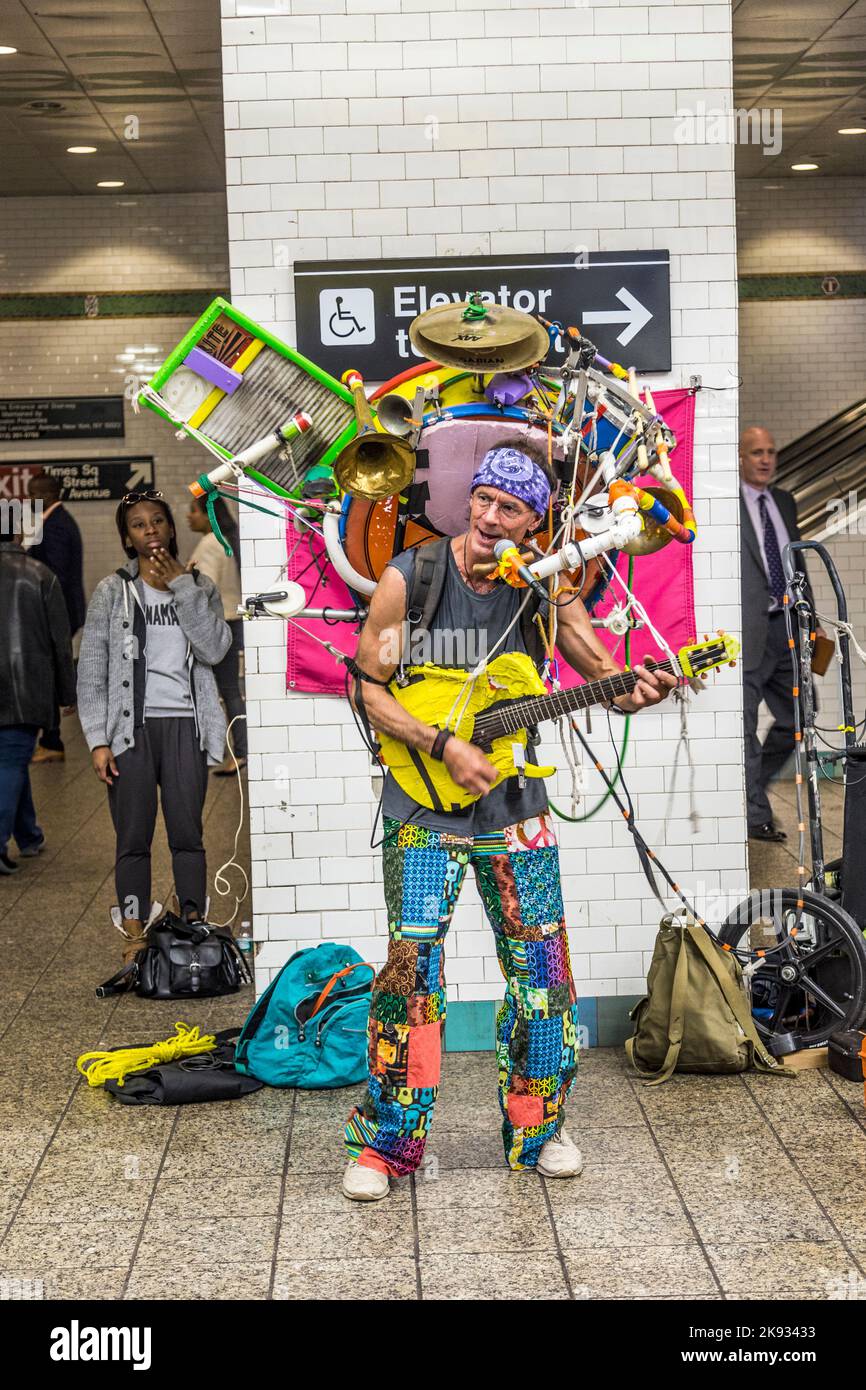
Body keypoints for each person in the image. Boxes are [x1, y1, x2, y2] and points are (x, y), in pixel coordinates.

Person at [340, 445, 677, 1201]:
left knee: (542, 980)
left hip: (516, 810)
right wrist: (442, 743)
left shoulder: (543, 585)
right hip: (422, 806)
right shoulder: (413, 578)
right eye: (485, 500)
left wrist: (640, 685)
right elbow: (369, 688)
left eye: (512, 510)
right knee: (410, 978)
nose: (492, 519)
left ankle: (539, 1131)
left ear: (536, 522)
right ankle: (388, 1146)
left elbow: (603, 677)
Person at [76, 490, 231, 964]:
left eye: (158, 521)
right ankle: (134, 933)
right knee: (133, 839)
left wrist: (182, 587)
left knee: (188, 835)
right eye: (139, 524)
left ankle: (191, 926)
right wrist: (98, 740)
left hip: (186, 726)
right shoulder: (111, 591)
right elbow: (93, 669)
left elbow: (215, 649)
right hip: (131, 732)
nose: (150, 530)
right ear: (127, 537)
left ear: (170, 528)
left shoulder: (200, 588)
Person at [739, 426, 818, 842]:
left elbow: (798, 565)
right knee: (745, 724)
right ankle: (754, 814)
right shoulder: (726, 502)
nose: (766, 459)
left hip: (787, 624)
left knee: (800, 718)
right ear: (740, 457)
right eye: (756, 452)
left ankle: (754, 786)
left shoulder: (784, 501)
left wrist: (813, 621)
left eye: (771, 451)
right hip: (747, 630)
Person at [0, 511, 76, 874]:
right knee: (12, 760)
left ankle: (28, 835)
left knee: (10, 761)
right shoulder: (41, 575)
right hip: (28, 687)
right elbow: (59, 642)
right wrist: (67, 693)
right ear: (16, 531)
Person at [25, 472, 86, 764]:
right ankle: (50, 738)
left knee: (47, 675)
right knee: (47, 673)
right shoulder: (52, 522)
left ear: (46, 495)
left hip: (56, 612)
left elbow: (56, 577)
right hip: (58, 612)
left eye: (31, 494)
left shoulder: (56, 526)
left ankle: (52, 740)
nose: (27, 499)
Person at [186, 495, 247, 775]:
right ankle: (241, 750)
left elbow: (204, 589)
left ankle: (236, 751)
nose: (189, 516)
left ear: (207, 515)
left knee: (223, 690)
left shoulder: (211, 543)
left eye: (193, 511)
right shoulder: (227, 540)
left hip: (217, 623)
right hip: (232, 621)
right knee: (230, 689)